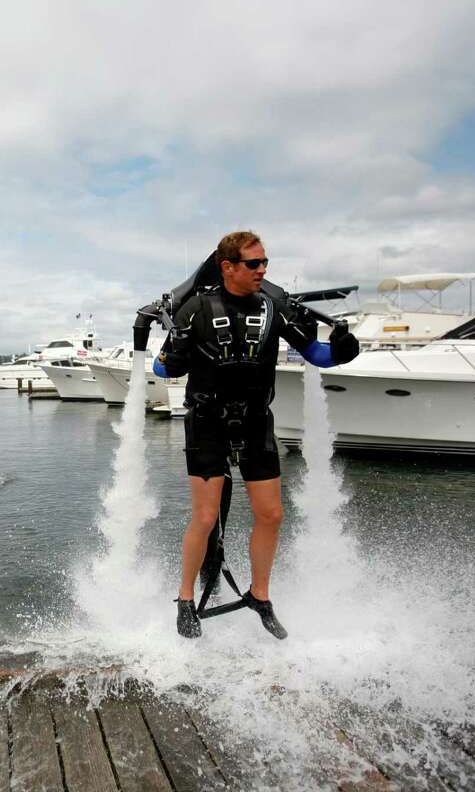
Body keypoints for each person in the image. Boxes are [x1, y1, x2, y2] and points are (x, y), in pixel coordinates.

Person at [154, 231, 360, 640]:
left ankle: (260, 595)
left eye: (265, 263)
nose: (262, 270)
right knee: (205, 516)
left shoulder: (273, 308)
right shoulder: (196, 309)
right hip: (206, 423)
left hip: (254, 423)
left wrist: (342, 351)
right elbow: (164, 370)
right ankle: (184, 599)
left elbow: (317, 355)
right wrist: (175, 351)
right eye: (254, 264)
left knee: (272, 514)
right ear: (227, 267)